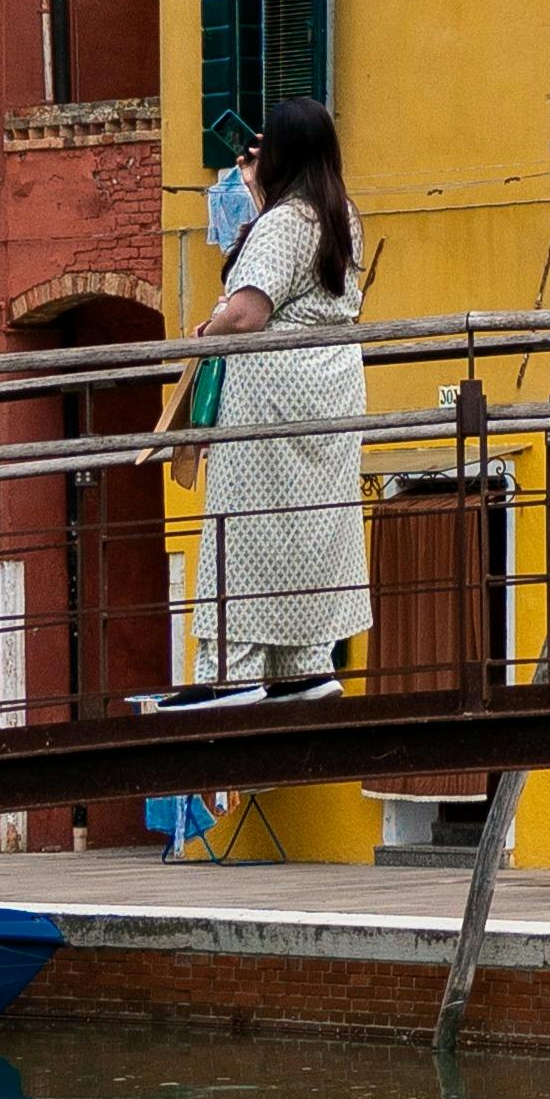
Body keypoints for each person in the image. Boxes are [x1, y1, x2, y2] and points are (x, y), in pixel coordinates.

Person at [190, 96, 369, 698]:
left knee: (244, 527)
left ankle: (230, 671)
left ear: (283, 155)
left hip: (272, 395)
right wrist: (261, 190)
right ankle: (305, 662)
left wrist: (208, 330)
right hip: (333, 388)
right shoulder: (343, 216)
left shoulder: (284, 222)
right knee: (311, 525)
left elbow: (248, 312)